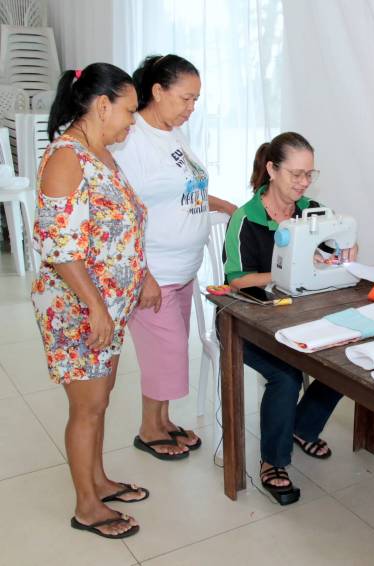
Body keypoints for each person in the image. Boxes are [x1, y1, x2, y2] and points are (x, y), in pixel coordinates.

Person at [32, 63, 146, 538]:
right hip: (77, 308)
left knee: (100, 401)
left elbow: (120, 226)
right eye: (129, 110)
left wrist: (144, 278)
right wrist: (96, 306)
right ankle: (86, 506)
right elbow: (58, 248)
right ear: (102, 105)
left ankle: (98, 480)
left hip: (108, 307)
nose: (132, 121)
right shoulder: (67, 158)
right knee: (87, 408)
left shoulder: (99, 152)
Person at [112, 54, 237, 460]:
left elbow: (187, 189)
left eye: (196, 100)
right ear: (157, 91)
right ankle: (149, 429)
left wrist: (230, 207)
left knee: (167, 353)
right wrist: (142, 274)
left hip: (182, 270)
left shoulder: (172, 134)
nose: (191, 108)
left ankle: (162, 421)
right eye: (185, 98)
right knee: (164, 353)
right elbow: (122, 214)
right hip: (154, 272)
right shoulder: (133, 141)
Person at [223, 132, 353, 504]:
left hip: (297, 316)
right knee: (286, 375)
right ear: (271, 170)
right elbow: (236, 280)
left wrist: (344, 252)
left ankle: (301, 427)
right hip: (246, 321)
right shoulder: (245, 219)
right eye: (295, 174)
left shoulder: (312, 210)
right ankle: (273, 462)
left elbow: (334, 251)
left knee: (344, 357)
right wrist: (291, 270)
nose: (303, 183)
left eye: (309, 174)